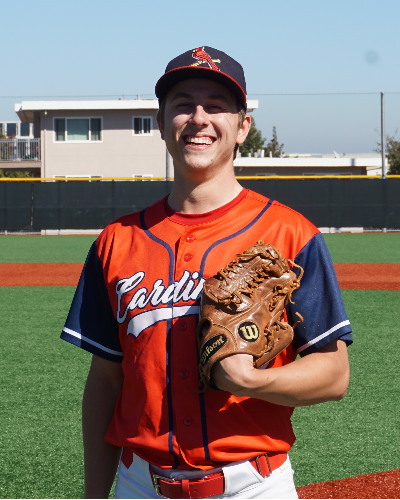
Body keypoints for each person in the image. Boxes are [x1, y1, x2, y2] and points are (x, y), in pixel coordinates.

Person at [61, 46, 352, 499]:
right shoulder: (116, 242)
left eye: (216, 106)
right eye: (183, 105)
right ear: (161, 123)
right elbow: (105, 380)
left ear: (243, 127)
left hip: (253, 485)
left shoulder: (292, 234)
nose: (199, 118)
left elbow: (334, 374)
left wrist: (252, 381)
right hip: (140, 484)